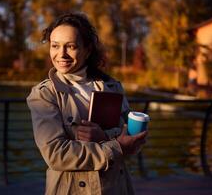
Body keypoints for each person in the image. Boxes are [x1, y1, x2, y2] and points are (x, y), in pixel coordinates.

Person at [27, 12, 148, 195]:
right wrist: (115, 146)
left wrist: (106, 137)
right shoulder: (44, 94)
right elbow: (56, 155)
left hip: (116, 188)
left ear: (88, 49)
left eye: (71, 46)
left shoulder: (112, 86)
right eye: (55, 46)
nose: (61, 54)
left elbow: (130, 142)